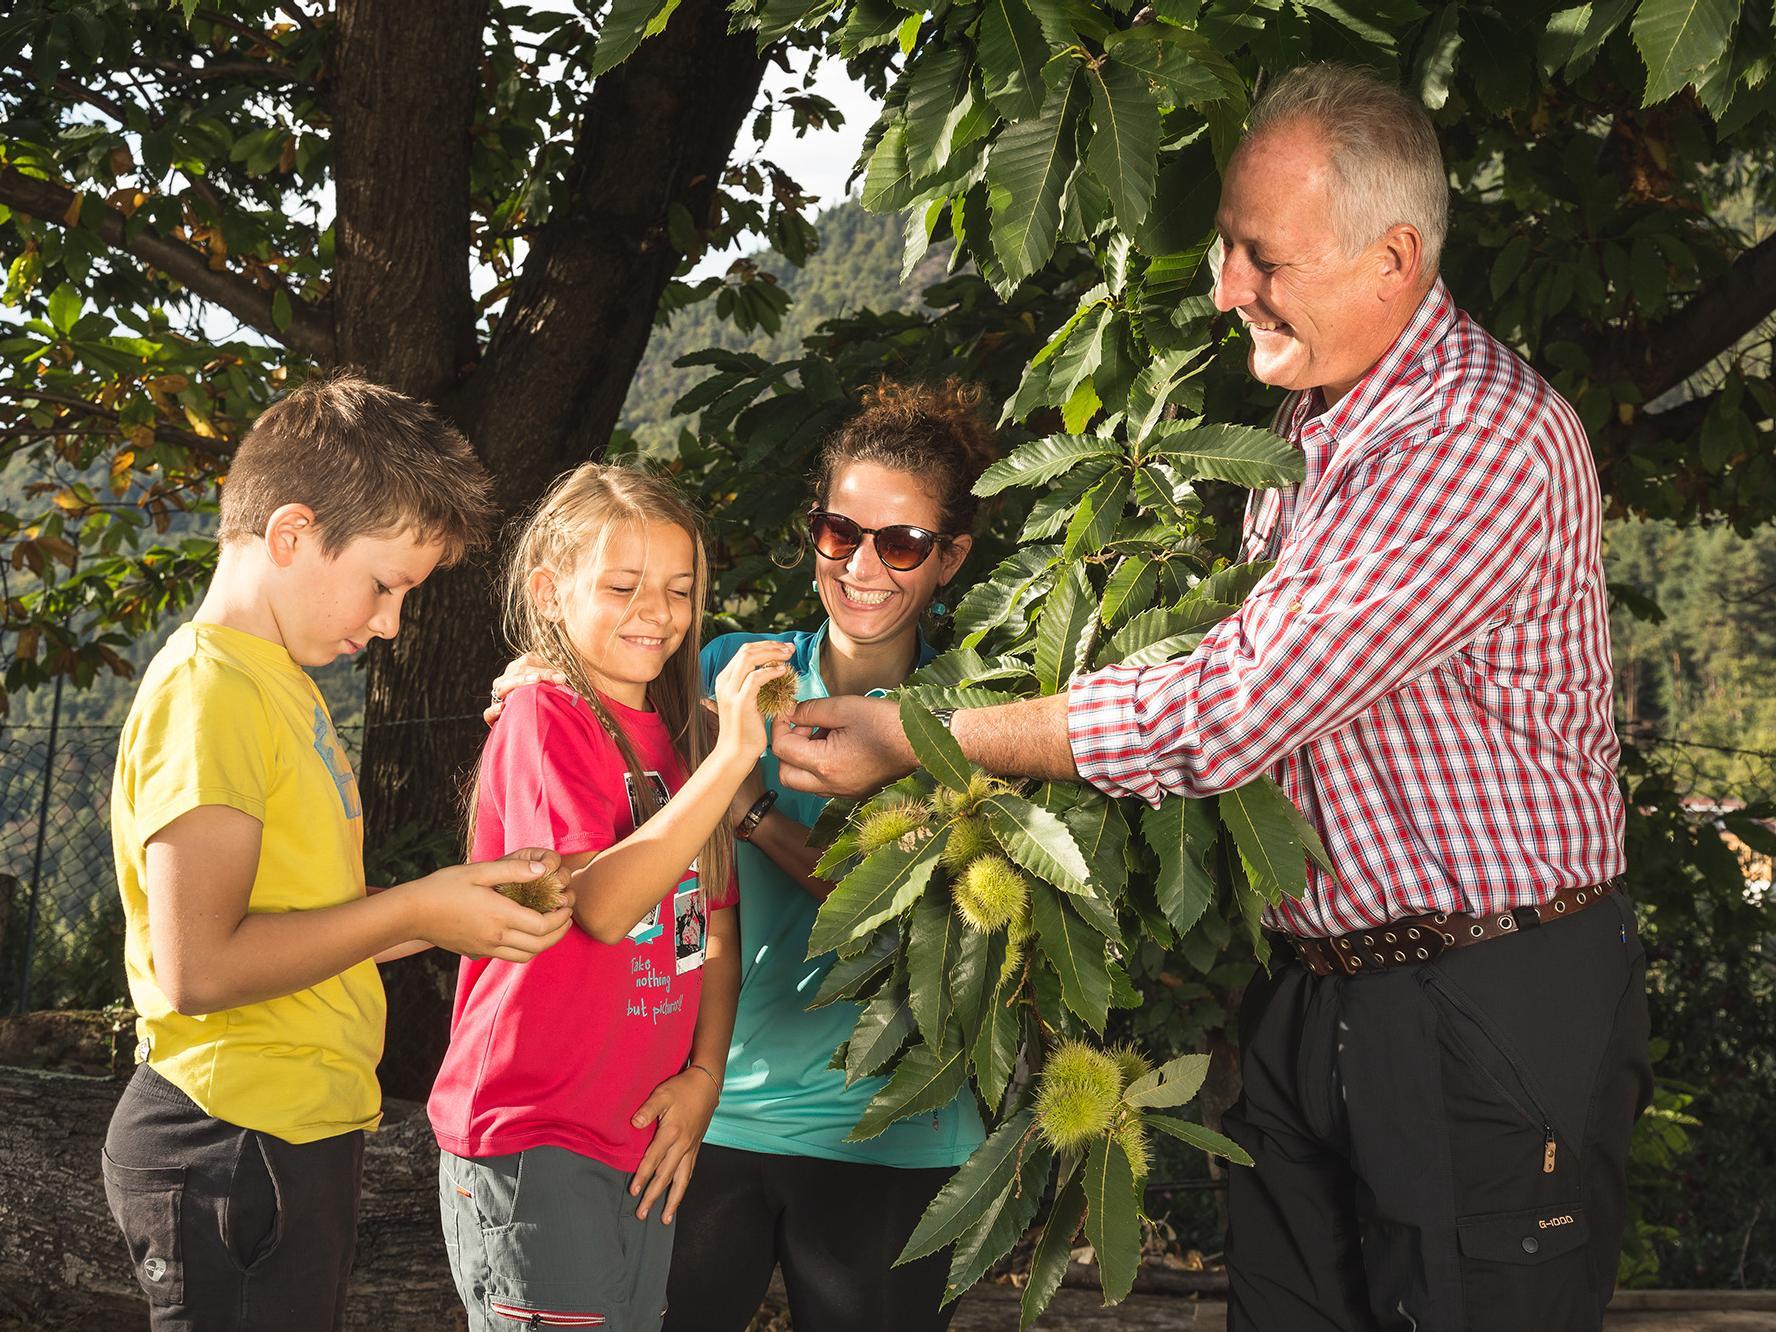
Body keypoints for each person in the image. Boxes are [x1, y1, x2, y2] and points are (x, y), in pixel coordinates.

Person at [771, 65, 1651, 1332]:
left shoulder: (1478, 437)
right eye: (1226, 245)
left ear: (1393, 260)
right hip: (1320, 986)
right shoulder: (1310, 432)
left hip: (1483, 998)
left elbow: (1233, 708)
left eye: (1261, 255)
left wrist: (925, 741)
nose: (1227, 285)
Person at [486, 380, 996, 1331]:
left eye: (904, 543)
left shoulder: (976, 718)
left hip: (889, 1131)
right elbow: (610, 715)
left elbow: (918, 904)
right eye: (842, 533)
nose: (866, 567)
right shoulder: (727, 668)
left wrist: (750, 802)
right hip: (702, 1114)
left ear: (949, 558)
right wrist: (548, 675)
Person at [103, 370, 573, 1332]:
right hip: (228, 1133)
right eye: (383, 585)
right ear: (290, 534)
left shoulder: (278, 682)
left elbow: (299, 921)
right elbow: (200, 968)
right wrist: (409, 911)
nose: (390, 621)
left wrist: (441, 910)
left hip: (284, 1127)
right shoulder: (212, 692)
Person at [430, 464, 791, 1332]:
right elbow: (599, 904)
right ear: (550, 593)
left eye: (680, 589)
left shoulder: (674, 747)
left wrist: (705, 1076)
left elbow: (713, 929)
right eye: (623, 586)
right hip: (535, 1132)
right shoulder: (542, 718)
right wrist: (733, 758)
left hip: (639, 1134)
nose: (658, 613)